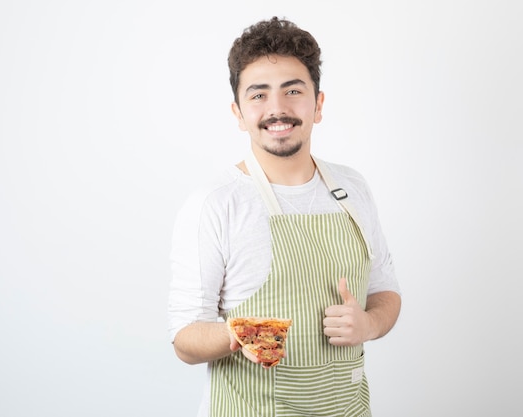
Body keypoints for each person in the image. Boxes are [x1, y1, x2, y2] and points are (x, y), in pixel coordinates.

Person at [168, 16, 402, 417]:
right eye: (258, 95)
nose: (277, 109)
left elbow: (385, 292)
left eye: (293, 90)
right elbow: (184, 339)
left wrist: (369, 325)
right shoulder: (216, 203)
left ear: (318, 104)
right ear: (239, 113)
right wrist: (238, 334)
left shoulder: (353, 189)